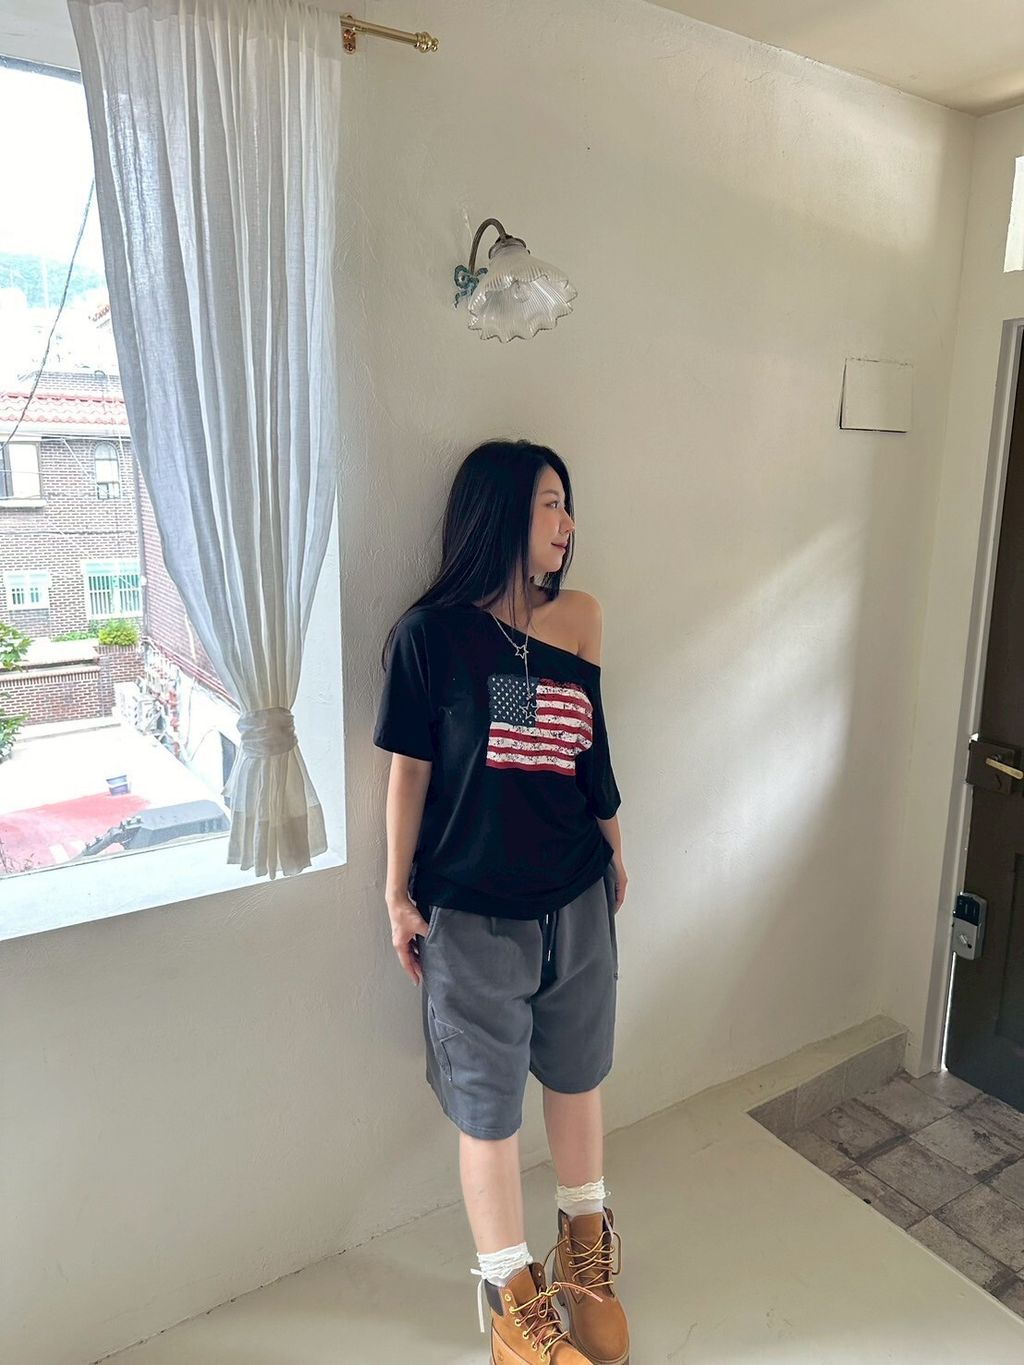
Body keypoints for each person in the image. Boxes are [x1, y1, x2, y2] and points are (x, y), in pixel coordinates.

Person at [373, 438, 629, 1365]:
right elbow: (410, 773)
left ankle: (585, 1256)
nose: (567, 524)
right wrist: (395, 893)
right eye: (550, 502)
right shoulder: (430, 637)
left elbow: (582, 750)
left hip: (575, 895)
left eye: (568, 503)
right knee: (488, 1107)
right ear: (500, 510)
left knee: (578, 1072)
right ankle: (513, 1300)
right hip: (472, 908)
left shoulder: (580, 618)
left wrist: (614, 845)